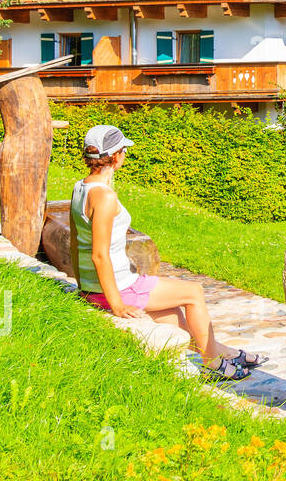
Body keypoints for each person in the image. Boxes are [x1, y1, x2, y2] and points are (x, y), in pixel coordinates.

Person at [68, 124, 265, 381]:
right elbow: (99, 255)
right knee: (193, 292)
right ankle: (214, 363)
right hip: (118, 288)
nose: (125, 155)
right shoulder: (104, 197)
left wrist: (84, 287)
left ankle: (223, 352)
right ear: (116, 156)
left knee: (174, 317)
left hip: (95, 288)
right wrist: (116, 305)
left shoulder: (80, 188)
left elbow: (74, 243)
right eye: (124, 150)